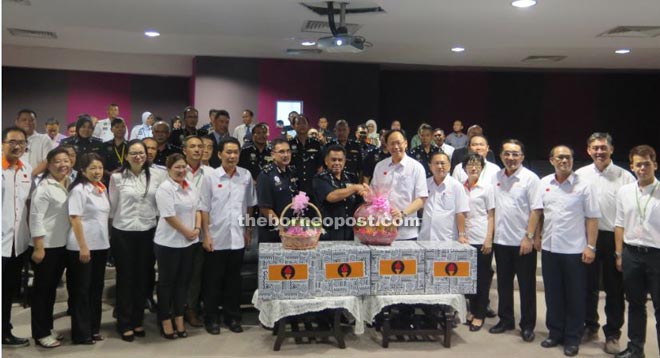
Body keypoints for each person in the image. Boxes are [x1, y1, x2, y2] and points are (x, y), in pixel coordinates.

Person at [534, 145, 600, 357]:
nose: (564, 161)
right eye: (560, 157)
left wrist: (591, 246)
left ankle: (572, 337)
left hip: (575, 250)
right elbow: (538, 213)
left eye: (568, 157)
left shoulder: (585, 186)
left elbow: (592, 218)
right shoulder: (544, 183)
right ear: (551, 160)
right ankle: (555, 333)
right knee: (553, 295)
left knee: (575, 296)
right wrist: (535, 236)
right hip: (550, 249)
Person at [575, 132, 635, 353]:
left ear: (611, 149)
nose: (599, 151)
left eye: (603, 147)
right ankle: (590, 325)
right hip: (587, 238)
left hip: (614, 238)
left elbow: (631, 212)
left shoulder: (625, 177)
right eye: (595, 148)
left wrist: (622, 249)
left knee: (614, 289)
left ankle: (612, 334)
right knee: (587, 286)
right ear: (588, 150)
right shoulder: (580, 175)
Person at [109, 140, 165, 342]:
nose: (138, 156)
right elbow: (112, 207)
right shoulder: (116, 177)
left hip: (147, 231)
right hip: (123, 232)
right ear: (126, 155)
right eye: (133, 152)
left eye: (141, 152)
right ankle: (123, 322)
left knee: (143, 278)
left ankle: (137, 320)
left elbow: (159, 204)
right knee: (126, 279)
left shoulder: (157, 176)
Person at [200, 137, 256, 335]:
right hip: (216, 237)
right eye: (228, 152)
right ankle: (211, 318)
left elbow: (249, 205)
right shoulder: (210, 177)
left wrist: (248, 230)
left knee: (234, 281)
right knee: (213, 282)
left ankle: (233, 317)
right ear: (219, 154)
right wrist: (206, 235)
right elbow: (204, 208)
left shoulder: (246, 176)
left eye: (236, 152)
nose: (232, 156)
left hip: (238, 237)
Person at [490, 139, 541, 343]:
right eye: (507, 153)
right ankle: (506, 320)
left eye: (515, 154)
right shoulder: (496, 176)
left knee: (527, 286)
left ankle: (527, 325)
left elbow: (536, 210)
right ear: (501, 155)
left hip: (522, 242)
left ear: (522, 156)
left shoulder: (531, 179)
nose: (511, 157)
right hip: (501, 240)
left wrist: (529, 237)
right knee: (503, 284)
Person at [614, 145, 660, 358]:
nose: (642, 168)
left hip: (657, 256)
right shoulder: (624, 192)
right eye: (638, 164)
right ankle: (635, 349)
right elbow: (619, 224)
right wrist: (619, 253)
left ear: (655, 165)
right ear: (632, 167)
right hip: (631, 253)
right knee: (635, 304)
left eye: (646, 164)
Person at [154, 153, 201, 339]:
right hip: (168, 243)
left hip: (188, 242)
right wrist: (187, 231)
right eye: (177, 168)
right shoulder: (165, 189)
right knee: (166, 283)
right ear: (169, 169)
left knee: (183, 283)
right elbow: (169, 216)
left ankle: (179, 318)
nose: (182, 171)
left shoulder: (190, 187)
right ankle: (165, 319)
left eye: (184, 167)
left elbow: (198, 209)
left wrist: (196, 228)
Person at [29, 148, 72, 348]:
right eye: (57, 161)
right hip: (45, 247)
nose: (63, 164)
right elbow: (35, 219)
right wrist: (39, 248)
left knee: (51, 292)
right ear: (49, 164)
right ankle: (40, 333)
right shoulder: (44, 188)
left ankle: (47, 327)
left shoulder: (69, 182)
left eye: (66, 160)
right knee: (42, 292)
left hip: (61, 245)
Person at [66, 153, 111, 345]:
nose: (97, 171)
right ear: (83, 170)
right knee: (81, 291)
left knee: (95, 289)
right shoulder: (79, 190)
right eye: (92, 168)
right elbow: (75, 218)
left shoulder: (101, 188)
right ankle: (81, 333)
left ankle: (93, 328)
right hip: (82, 247)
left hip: (101, 245)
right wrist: (83, 247)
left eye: (100, 167)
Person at [2, 127, 32, 348]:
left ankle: (5, 331)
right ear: (3, 143)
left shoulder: (26, 169)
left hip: (17, 244)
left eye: (21, 142)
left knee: (8, 291)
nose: (17, 146)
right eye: (12, 141)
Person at [370, 129, 428, 241]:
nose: (396, 147)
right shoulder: (380, 166)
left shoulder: (416, 168)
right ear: (386, 146)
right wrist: (367, 192)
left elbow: (421, 199)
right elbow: (374, 192)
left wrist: (402, 214)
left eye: (398, 143)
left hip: (407, 231)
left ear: (405, 143)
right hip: (382, 228)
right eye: (392, 143)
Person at [181, 136, 214, 328]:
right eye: (192, 146)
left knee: (196, 274)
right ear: (184, 150)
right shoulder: (177, 169)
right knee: (177, 274)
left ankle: (191, 308)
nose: (197, 150)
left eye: (200, 147)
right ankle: (174, 309)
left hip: (201, 232)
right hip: (178, 230)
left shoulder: (210, 172)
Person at [461, 153, 495, 332]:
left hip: (481, 239)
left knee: (482, 278)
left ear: (482, 168)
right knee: (469, 278)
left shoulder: (487, 188)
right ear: (464, 168)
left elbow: (491, 215)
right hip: (464, 239)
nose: (473, 168)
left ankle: (480, 314)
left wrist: (489, 238)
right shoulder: (460, 188)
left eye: (477, 165)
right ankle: (472, 310)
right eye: (470, 164)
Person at [313, 145, 367, 241]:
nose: (337, 163)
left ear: (344, 161)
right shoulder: (320, 178)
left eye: (340, 160)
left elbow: (359, 202)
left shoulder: (351, 178)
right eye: (333, 160)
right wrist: (355, 188)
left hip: (350, 232)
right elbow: (331, 196)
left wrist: (366, 193)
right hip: (329, 231)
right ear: (326, 161)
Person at [418, 152, 469, 242]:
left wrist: (461, 235)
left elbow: (460, 212)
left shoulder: (456, 186)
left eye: (442, 163)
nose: (440, 166)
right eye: (436, 163)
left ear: (449, 166)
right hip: (426, 237)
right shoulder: (424, 184)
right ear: (430, 166)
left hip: (447, 238)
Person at [256, 138, 298, 243]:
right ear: (273, 155)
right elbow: (265, 208)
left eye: (288, 151)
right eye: (281, 152)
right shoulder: (266, 175)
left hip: (290, 229)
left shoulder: (292, 171)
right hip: (272, 232)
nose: (286, 155)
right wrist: (281, 227)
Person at [289, 114, 323, 196]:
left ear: (308, 125)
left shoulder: (315, 143)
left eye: (304, 123)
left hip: (312, 184)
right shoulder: (289, 144)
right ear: (293, 126)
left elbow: (320, 166)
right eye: (298, 123)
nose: (302, 126)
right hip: (295, 184)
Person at [15, 109, 54, 176]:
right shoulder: (10, 140)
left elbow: (47, 160)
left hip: (37, 180)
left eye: (31, 120)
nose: (27, 122)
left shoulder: (44, 139)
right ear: (17, 122)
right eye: (24, 120)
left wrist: (30, 176)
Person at [101, 118, 128, 183]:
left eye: (123, 126)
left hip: (126, 179)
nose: (120, 129)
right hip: (108, 180)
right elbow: (100, 164)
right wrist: (110, 173)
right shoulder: (104, 146)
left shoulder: (130, 146)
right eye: (117, 127)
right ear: (111, 129)